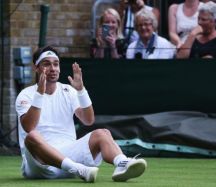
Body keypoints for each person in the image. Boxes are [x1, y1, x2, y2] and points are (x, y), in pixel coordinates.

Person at [15, 46, 147, 182]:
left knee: (102, 133)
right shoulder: (25, 95)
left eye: (56, 64)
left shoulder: (68, 91)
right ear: (36, 68)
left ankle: (122, 163)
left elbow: (88, 120)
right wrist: (39, 95)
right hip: (40, 165)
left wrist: (81, 90)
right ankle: (77, 168)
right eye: (46, 64)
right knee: (32, 136)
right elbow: (29, 127)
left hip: (68, 156)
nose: (53, 68)